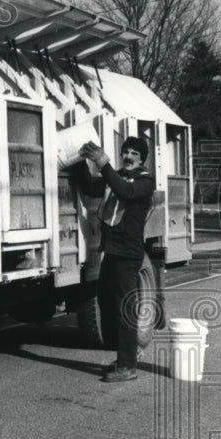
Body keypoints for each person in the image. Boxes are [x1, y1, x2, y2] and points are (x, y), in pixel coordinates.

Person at [77, 136, 156, 382]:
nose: (128, 156)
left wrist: (104, 164)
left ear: (142, 159)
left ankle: (127, 367)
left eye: (134, 153)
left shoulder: (145, 181)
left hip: (129, 254)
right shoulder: (117, 176)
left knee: (124, 308)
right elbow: (91, 187)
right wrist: (79, 160)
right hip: (111, 252)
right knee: (106, 303)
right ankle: (125, 355)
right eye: (125, 152)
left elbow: (126, 192)